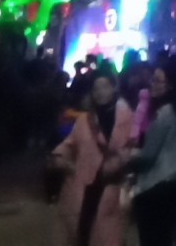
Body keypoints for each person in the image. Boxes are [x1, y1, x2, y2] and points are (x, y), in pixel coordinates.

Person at [52, 72, 135, 246]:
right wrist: (60, 156)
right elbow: (71, 142)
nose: (100, 92)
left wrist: (119, 163)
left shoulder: (126, 117)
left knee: (107, 232)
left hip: (111, 183)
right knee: (82, 229)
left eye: (105, 87)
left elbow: (130, 146)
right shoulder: (84, 119)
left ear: (113, 89)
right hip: (85, 182)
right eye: (96, 88)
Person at [130, 65, 176, 246]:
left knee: (153, 238)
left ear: (170, 85)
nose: (152, 84)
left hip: (159, 184)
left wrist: (129, 157)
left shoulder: (165, 113)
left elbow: (148, 155)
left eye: (158, 81)